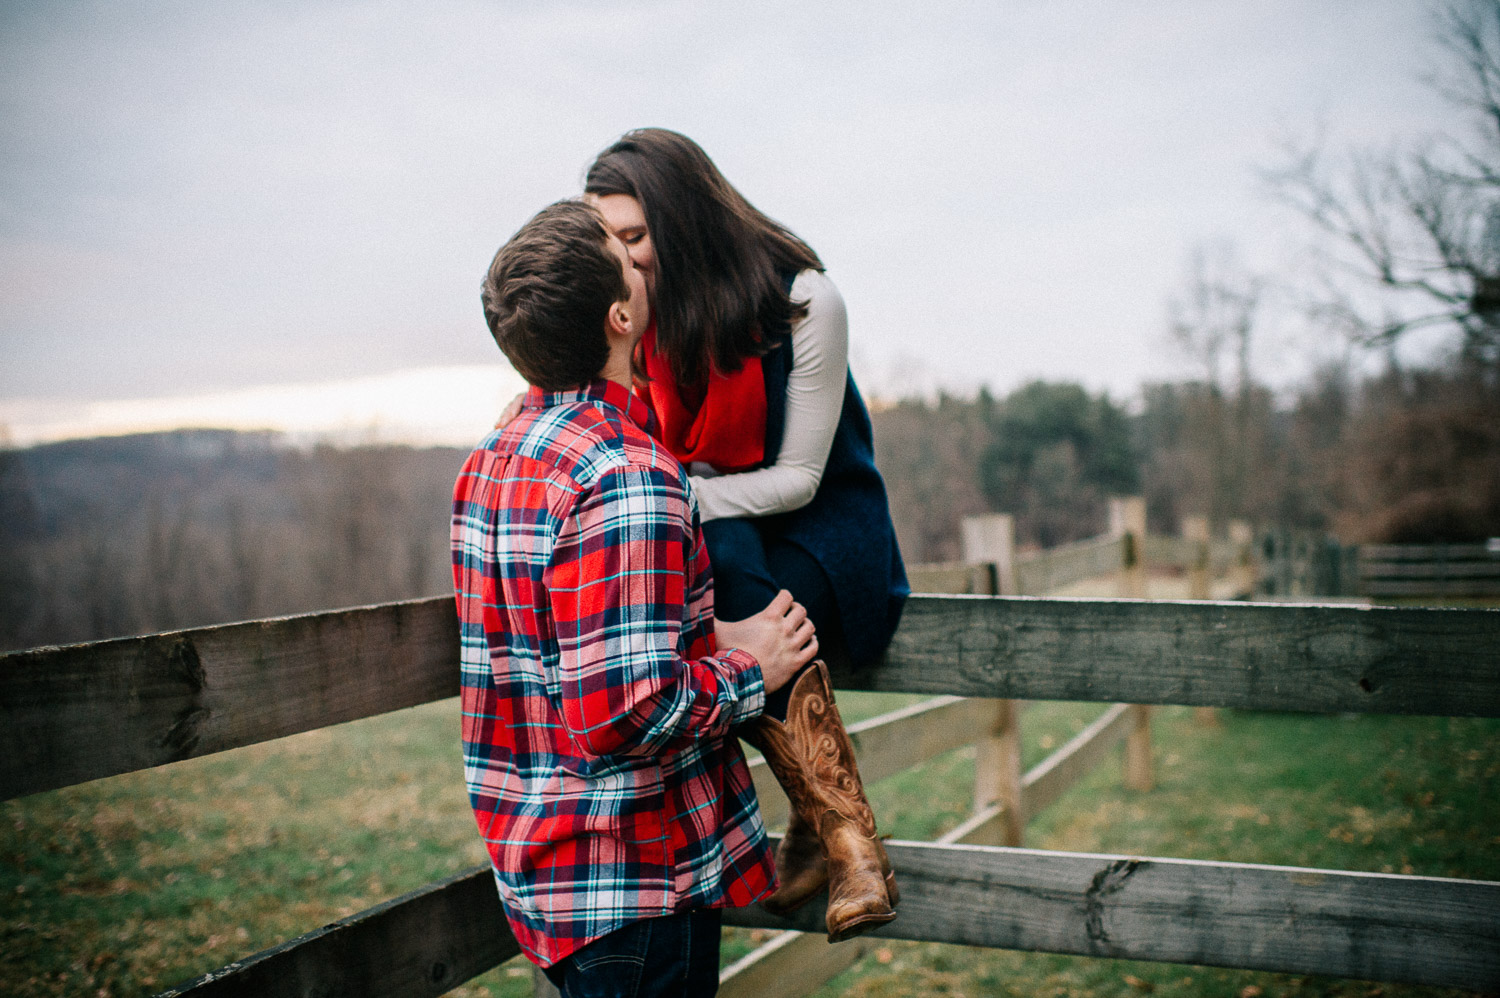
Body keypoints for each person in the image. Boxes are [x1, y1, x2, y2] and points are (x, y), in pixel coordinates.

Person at [454, 199, 820, 996]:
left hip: (553, 878)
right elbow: (625, 707)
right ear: (620, 319)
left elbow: (560, 643)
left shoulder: (492, 461)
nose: (639, 259)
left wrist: (703, 633)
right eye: (623, 256)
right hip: (635, 884)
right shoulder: (627, 475)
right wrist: (750, 668)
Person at [583, 129, 909, 939]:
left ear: (681, 220)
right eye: (607, 241)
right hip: (729, 550)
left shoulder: (804, 302)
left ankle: (847, 835)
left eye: (635, 237)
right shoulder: (635, 317)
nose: (623, 259)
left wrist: (673, 496)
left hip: (827, 540)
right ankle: (827, 823)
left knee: (721, 562)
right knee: (716, 559)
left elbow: (798, 479)